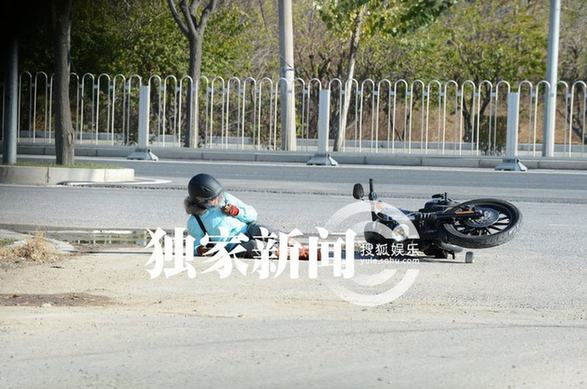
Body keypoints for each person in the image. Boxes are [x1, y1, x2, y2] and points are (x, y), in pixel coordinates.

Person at [184, 173, 315, 260]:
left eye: (219, 196)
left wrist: (237, 212)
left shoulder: (226, 199)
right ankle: (296, 253)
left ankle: (293, 244)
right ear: (200, 200)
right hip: (232, 245)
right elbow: (195, 243)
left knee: (259, 229)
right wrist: (200, 249)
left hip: (246, 230)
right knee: (253, 246)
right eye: (213, 199)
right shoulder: (195, 221)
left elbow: (252, 215)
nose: (218, 200)